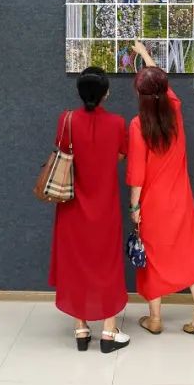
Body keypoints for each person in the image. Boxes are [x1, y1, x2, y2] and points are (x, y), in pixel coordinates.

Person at [127, 41, 194, 336]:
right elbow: (162, 83)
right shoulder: (175, 111)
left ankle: (155, 319)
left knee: (151, 258)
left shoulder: (138, 125)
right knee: (189, 252)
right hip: (181, 198)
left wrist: (134, 207)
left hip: (153, 202)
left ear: (140, 95)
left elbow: (137, 174)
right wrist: (145, 55)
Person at [48, 67, 131, 354]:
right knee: (107, 266)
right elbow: (121, 155)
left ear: (80, 93)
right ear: (106, 93)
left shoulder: (66, 120)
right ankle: (109, 332)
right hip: (105, 207)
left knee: (76, 264)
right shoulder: (118, 123)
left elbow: (62, 152)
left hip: (71, 206)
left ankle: (81, 329)